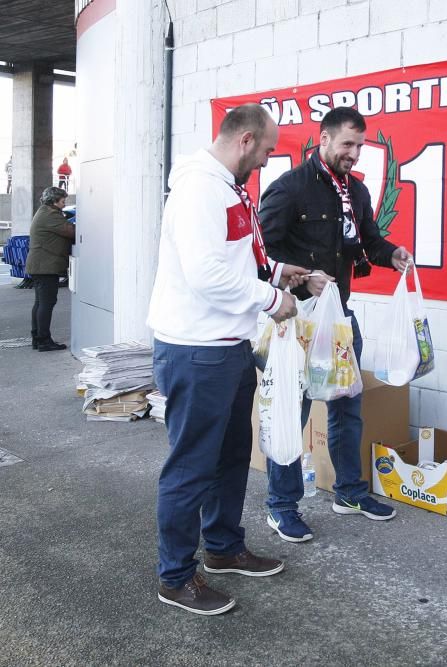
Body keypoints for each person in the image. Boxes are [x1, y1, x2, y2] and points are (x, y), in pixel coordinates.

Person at [147, 103, 312, 616]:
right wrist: (270, 300)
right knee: (192, 466)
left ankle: (221, 549)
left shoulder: (228, 187)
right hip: (197, 351)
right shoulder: (200, 189)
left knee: (231, 456)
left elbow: (240, 255)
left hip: (227, 347)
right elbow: (206, 274)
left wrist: (283, 271)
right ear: (244, 140)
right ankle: (175, 578)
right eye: (264, 152)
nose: (264, 162)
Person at [258, 107, 412, 542]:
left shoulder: (356, 192)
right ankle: (281, 505)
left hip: (339, 319)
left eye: (360, 145)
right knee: (294, 411)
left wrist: (392, 254)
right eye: (347, 144)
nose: (355, 153)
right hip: (297, 320)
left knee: (348, 405)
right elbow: (259, 257)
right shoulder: (289, 190)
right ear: (323, 139)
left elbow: (366, 241)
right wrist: (304, 276)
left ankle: (349, 492)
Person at [25, 186, 74, 351]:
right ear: (54, 201)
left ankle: (37, 338)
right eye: (62, 201)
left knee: (40, 303)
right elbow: (71, 231)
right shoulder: (51, 214)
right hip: (45, 266)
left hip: (39, 265)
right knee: (46, 303)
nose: (64, 204)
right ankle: (44, 341)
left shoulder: (44, 212)